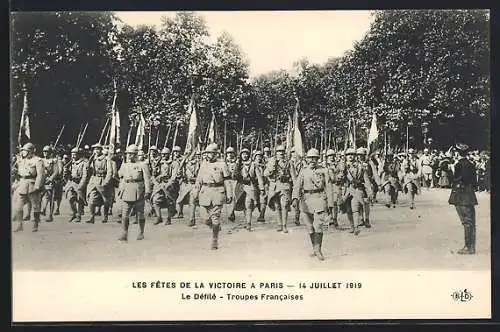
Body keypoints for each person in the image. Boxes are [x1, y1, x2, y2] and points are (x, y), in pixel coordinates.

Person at [292, 148, 330, 261]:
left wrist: (331, 203)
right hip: (306, 201)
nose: (312, 160)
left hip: (319, 199)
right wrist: (295, 198)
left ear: (318, 159)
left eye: (315, 158)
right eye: (310, 158)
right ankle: (315, 248)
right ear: (307, 159)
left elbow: (328, 186)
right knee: (310, 228)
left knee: (318, 226)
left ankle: (318, 250)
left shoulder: (324, 171)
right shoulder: (303, 171)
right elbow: (297, 186)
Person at [192, 143, 232, 250]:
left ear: (215, 154)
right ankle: (215, 226)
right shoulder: (203, 164)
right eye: (207, 153)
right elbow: (199, 181)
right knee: (204, 217)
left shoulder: (222, 164)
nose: (207, 155)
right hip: (205, 192)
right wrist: (195, 193)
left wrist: (230, 193)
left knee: (215, 217)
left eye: (210, 153)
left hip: (218, 192)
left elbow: (227, 180)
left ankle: (215, 240)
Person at [116, 144, 152, 241]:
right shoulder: (124, 165)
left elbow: (147, 179)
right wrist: (120, 189)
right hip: (127, 189)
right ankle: (124, 233)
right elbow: (121, 177)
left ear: (136, 155)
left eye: (131, 154)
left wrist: (148, 191)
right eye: (128, 154)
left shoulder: (143, 165)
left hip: (138, 190)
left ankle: (141, 232)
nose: (129, 156)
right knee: (125, 214)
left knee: (140, 213)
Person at [448, 143, 478, 255]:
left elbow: (455, 179)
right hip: (470, 195)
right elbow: (475, 182)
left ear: (457, 153)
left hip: (461, 196)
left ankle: (467, 247)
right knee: (471, 222)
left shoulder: (458, 165)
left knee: (466, 222)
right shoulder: (471, 164)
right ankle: (472, 247)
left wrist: (451, 170)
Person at [12, 143, 45, 232]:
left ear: (30, 151)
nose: (23, 152)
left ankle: (35, 224)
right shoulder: (22, 160)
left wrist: (37, 186)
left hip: (32, 185)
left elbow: (40, 175)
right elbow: (19, 173)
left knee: (35, 206)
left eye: (24, 151)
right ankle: (20, 225)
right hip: (22, 184)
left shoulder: (38, 160)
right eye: (22, 151)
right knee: (18, 207)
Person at [264, 145, 294, 233]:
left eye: (282, 151)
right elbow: (265, 173)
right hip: (274, 186)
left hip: (285, 185)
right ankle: (279, 224)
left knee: (284, 205)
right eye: (279, 151)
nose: (280, 153)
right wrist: (270, 169)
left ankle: (284, 225)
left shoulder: (288, 162)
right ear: (276, 152)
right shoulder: (272, 161)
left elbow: (293, 175)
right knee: (277, 206)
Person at [234, 148, 265, 231]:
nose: (245, 155)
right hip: (240, 187)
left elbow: (259, 177)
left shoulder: (254, 165)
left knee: (249, 204)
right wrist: (237, 165)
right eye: (243, 154)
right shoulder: (239, 164)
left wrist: (261, 188)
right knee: (243, 205)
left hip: (251, 186)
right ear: (240, 155)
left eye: (246, 154)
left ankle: (248, 223)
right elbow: (235, 176)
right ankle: (246, 221)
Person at [86, 143, 113, 223]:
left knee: (105, 200)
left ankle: (105, 216)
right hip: (94, 179)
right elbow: (90, 169)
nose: (96, 151)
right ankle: (92, 217)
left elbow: (110, 171)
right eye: (95, 149)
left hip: (102, 179)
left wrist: (106, 181)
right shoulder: (93, 158)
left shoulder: (106, 159)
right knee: (91, 199)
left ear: (101, 150)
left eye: (98, 149)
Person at [176, 150, 201, 227]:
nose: (192, 157)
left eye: (193, 155)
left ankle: (192, 219)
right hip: (186, 185)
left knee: (192, 201)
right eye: (190, 155)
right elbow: (178, 174)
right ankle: (180, 213)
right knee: (179, 201)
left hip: (195, 185)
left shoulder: (199, 164)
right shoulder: (184, 165)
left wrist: (196, 179)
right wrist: (181, 165)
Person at [64, 147, 88, 222]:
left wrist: (81, 185)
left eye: (75, 154)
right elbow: (68, 174)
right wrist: (65, 171)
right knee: (70, 198)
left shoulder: (84, 163)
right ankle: (73, 212)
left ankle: (79, 216)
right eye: (72, 154)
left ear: (79, 155)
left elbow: (85, 175)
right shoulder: (71, 162)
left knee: (80, 200)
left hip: (79, 182)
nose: (73, 156)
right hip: (72, 182)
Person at [40, 145, 61, 222]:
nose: (45, 153)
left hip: (51, 181)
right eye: (44, 151)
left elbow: (56, 171)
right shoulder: (41, 160)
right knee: (41, 197)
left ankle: (50, 215)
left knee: (51, 198)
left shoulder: (54, 160)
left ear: (50, 152)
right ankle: (42, 210)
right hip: (42, 180)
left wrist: (51, 179)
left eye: (47, 151)